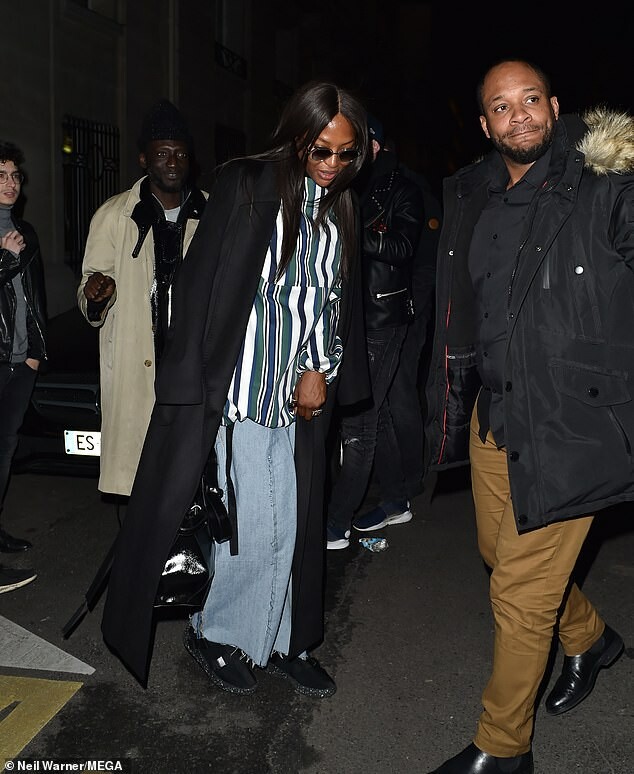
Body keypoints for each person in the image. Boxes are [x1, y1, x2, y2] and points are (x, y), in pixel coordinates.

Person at [100, 80, 371, 694]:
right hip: (240, 393)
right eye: (320, 150)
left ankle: (281, 637)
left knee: (294, 523)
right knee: (258, 523)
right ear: (296, 138)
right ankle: (220, 632)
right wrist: (192, 389)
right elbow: (201, 287)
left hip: (301, 400)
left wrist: (320, 368)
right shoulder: (249, 184)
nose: (332, 164)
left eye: (345, 153)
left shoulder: (338, 208)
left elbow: (330, 301)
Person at [424, 59, 631, 774]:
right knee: (498, 555)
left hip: (572, 424)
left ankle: (503, 746)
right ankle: (591, 638)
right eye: (502, 106)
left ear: (555, 105)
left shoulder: (603, 185)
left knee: (519, 589)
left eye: (531, 99)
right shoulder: (473, 195)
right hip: (495, 416)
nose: (520, 115)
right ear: (485, 125)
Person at [78, 98, 207, 497]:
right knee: (142, 482)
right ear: (144, 160)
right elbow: (89, 286)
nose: (173, 162)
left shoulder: (212, 213)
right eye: (162, 154)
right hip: (138, 364)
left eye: (180, 154)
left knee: (193, 478)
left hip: (193, 366)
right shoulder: (113, 216)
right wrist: (96, 294)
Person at [326, 114, 424, 549]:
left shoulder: (401, 189)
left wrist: (353, 235)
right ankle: (396, 500)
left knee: (360, 422)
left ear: (377, 147)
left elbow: (403, 247)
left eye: (358, 145)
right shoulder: (345, 188)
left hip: (383, 318)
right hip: (349, 316)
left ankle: (336, 523)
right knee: (377, 413)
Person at [372, 146, 441, 506]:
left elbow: (426, 257)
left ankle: (412, 477)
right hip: (381, 308)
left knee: (400, 388)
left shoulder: (409, 187)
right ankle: (396, 475)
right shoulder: (369, 184)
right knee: (386, 394)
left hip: (406, 306)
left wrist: (413, 306)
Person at [0, 140, 44, 593]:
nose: (10, 183)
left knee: (5, 451)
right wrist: (4, 258)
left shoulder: (25, 230)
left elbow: (35, 296)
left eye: (15, 176)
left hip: (20, 361)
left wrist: (35, 351)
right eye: (1, 176)